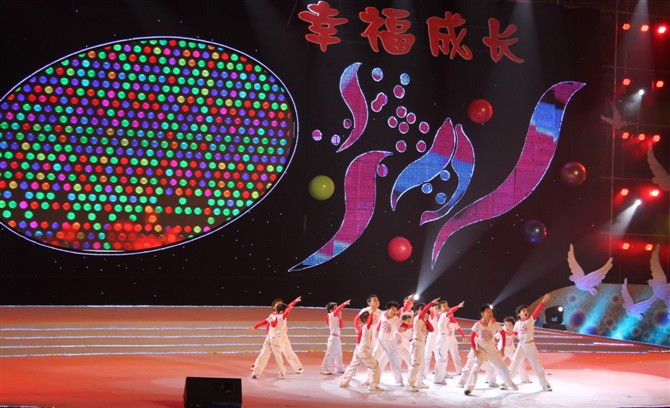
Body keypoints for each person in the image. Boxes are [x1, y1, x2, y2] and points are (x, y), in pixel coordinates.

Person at [463, 304, 517, 396]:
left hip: (492, 351)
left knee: (502, 367)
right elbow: (472, 337)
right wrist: (474, 349)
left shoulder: (495, 324)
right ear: (482, 314)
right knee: (475, 368)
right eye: (488, 312)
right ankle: (468, 388)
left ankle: (510, 384)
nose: (490, 313)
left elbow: (503, 334)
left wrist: (502, 348)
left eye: (491, 311)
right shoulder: (477, 325)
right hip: (481, 350)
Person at [508, 294, 552, 391]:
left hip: (530, 346)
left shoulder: (530, 320)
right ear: (519, 314)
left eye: (527, 311)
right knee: (515, 362)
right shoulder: (517, 323)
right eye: (523, 311)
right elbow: (515, 333)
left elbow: (537, 311)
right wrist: (513, 336)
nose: (526, 312)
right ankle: (507, 381)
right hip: (521, 346)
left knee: (536, 365)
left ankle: (545, 384)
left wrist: (543, 302)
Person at [252, 296, 302, 379]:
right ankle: (282, 373)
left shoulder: (272, 315)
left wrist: (255, 326)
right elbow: (288, 309)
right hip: (275, 338)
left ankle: (256, 372)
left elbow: (266, 322)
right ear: (275, 307)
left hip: (273, 336)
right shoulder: (280, 317)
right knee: (276, 356)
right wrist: (294, 302)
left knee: (267, 354)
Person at [339, 311, 383, 391]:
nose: (372, 319)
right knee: (375, 366)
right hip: (363, 350)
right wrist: (373, 311)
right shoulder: (366, 326)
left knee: (352, 366)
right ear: (365, 319)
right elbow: (369, 322)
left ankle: (343, 383)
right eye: (370, 318)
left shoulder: (360, 326)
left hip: (358, 349)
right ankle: (374, 386)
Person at [406, 297, 440, 392]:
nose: (425, 312)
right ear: (417, 311)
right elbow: (424, 311)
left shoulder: (424, 320)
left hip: (422, 343)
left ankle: (419, 382)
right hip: (416, 342)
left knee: (421, 364)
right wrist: (432, 303)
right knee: (415, 363)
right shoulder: (417, 318)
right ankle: (410, 384)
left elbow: (432, 329)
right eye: (422, 309)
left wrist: (427, 320)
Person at [370, 300, 405, 386]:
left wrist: (406, 326)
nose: (394, 311)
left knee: (394, 361)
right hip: (380, 339)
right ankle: (372, 378)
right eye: (392, 309)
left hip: (390, 342)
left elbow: (403, 326)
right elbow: (380, 323)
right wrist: (377, 330)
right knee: (374, 357)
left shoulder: (397, 319)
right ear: (388, 309)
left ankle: (399, 381)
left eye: (396, 310)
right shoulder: (383, 314)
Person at [433, 300, 465, 384]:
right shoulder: (441, 314)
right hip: (442, 337)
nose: (446, 307)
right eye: (444, 306)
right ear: (440, 309)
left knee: (444, 358)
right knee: (441, 359)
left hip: (445, 337)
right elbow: (450, 312)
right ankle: (438, 379)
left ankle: (441, 377)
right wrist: (458, 306)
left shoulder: (445, 315)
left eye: (447, 306)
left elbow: (452, 319)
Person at [321, 299, 350, 375]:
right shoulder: (331, 315)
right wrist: (344, 303)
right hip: (333, 338)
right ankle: (324, 368)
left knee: (338, 354)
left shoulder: (336, 317)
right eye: (335, 308)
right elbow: (337, 310)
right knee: (330, 354)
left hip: (337, 338)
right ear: (331, 310)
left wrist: (340, 317)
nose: (337, 309)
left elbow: (341, 326)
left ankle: (339, 368)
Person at [500, 316, 530, 383]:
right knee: (496, 363)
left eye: (510, 325)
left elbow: (519, 336)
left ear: (513, 326)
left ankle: (524, 379)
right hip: (502, 350)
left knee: (520, 362)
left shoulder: (515, 331)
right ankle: (490, 379)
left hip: (511, 350)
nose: (507, 326)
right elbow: (494, 338)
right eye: (506, 325)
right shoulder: (501, 331)